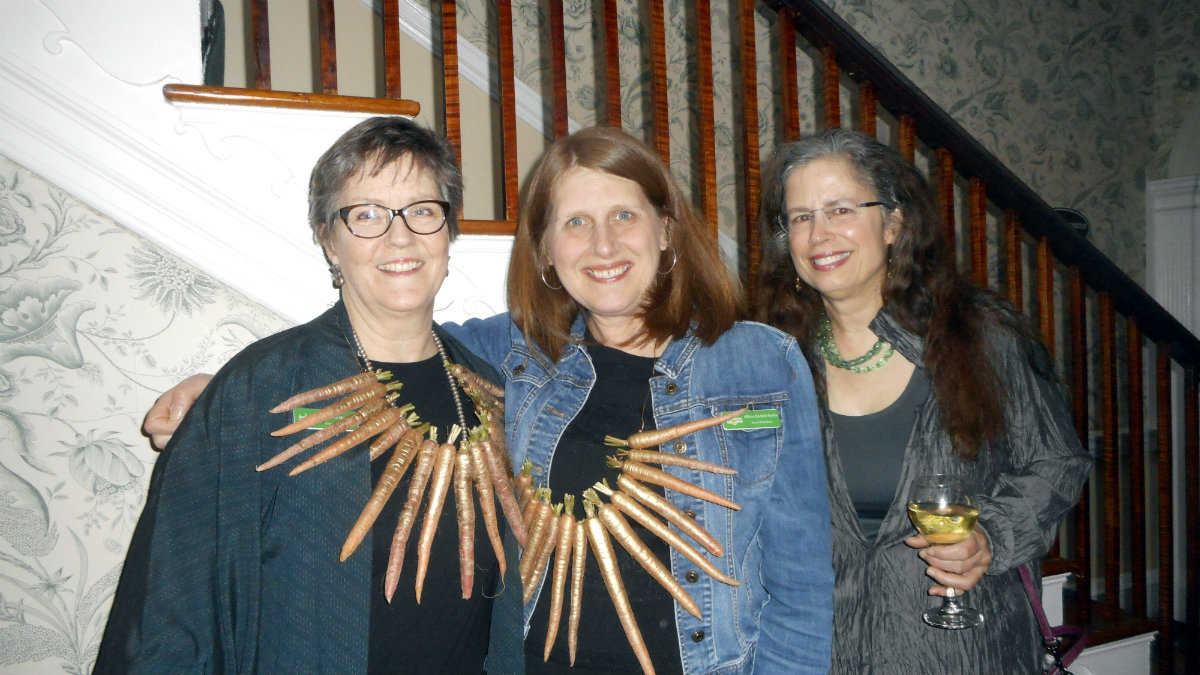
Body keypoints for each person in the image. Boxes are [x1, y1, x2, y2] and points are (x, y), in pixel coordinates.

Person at [142, 126, 834, 675]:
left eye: (624, 213)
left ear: (665, 228)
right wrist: (222, 396)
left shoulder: (760, 361)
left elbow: (802, 593)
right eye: (574, 223)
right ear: (543, 251)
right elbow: (393, 334)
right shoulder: (518, 355)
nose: (603, 244)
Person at [96, 116, 522, 675]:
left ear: (448, 232)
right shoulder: (259, 390)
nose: (401, 236)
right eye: (366, 214)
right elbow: (169, 609)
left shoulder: (491, 393)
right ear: (328, 240)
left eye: (423, 211)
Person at [754, 128, 1093, 675]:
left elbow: (1056, 461)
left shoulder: (980, 336)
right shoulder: (769, 358)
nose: (819, 234)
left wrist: (993, 536)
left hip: (962, 650)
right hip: (818, 651)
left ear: (892, 222)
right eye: (800, 217)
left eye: (840, 209)